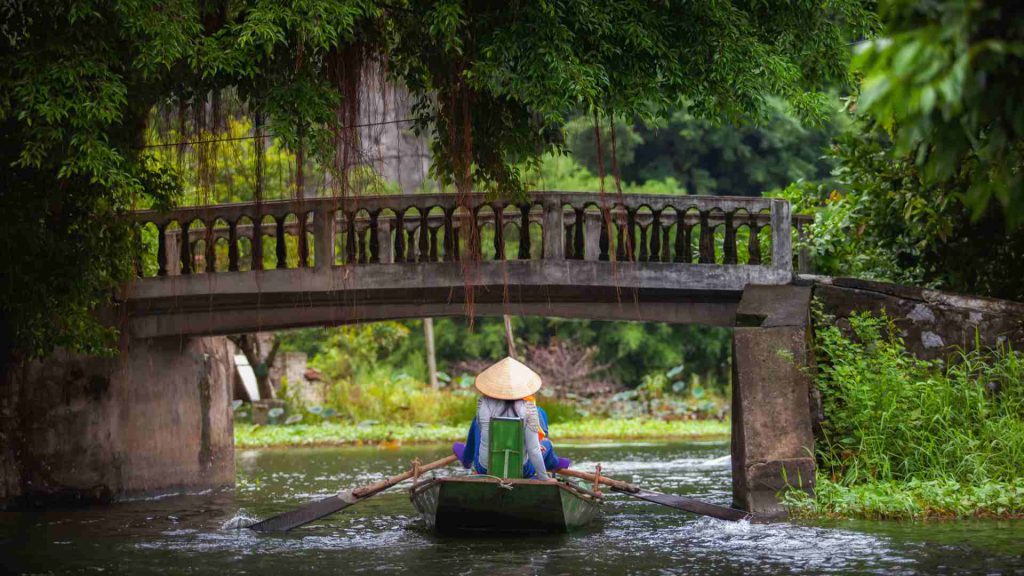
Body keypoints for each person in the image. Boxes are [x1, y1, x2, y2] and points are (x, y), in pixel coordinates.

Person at [456, 357, 562, 481]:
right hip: (522, 471)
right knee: (547, 445)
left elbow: (485, 437)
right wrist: (545, 479)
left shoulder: (483, 404)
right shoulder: (529, 408)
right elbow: (533, 450)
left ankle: (466, 459)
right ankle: (554, 464)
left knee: (477, 425)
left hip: (485, 469)